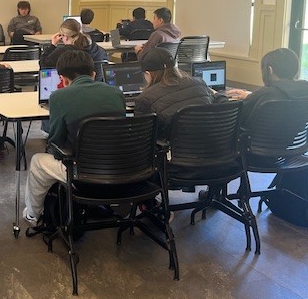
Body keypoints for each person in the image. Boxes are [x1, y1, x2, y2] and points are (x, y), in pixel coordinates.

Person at [23, 50, 126, 223]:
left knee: (38, 162)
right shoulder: (116, 92)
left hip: (82, 172)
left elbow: (56, 141)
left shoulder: (59, 97)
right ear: (93, 74)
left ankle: (33, 215)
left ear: (62, 79)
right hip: (120, 167)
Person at [133, 47, 223, 139]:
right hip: (212, 143)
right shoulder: (199, 83)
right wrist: (217, 95)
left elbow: (143, 136)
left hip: (176, 146)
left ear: (148, 73)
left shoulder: (145, 98)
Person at [227, 48, 308, 127]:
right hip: (294, 136)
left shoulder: (266, 94)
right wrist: (252, 95)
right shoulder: (305, 87)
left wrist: (220, 97)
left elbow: (236, 118)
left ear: (270, 70)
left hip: (255, 136)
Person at [40, 18, 108, 69]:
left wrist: (53, 45)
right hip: (96, 83)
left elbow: (43, 64)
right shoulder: (99, 50)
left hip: (74, 84)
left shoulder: (63, 52)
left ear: (65, 36)